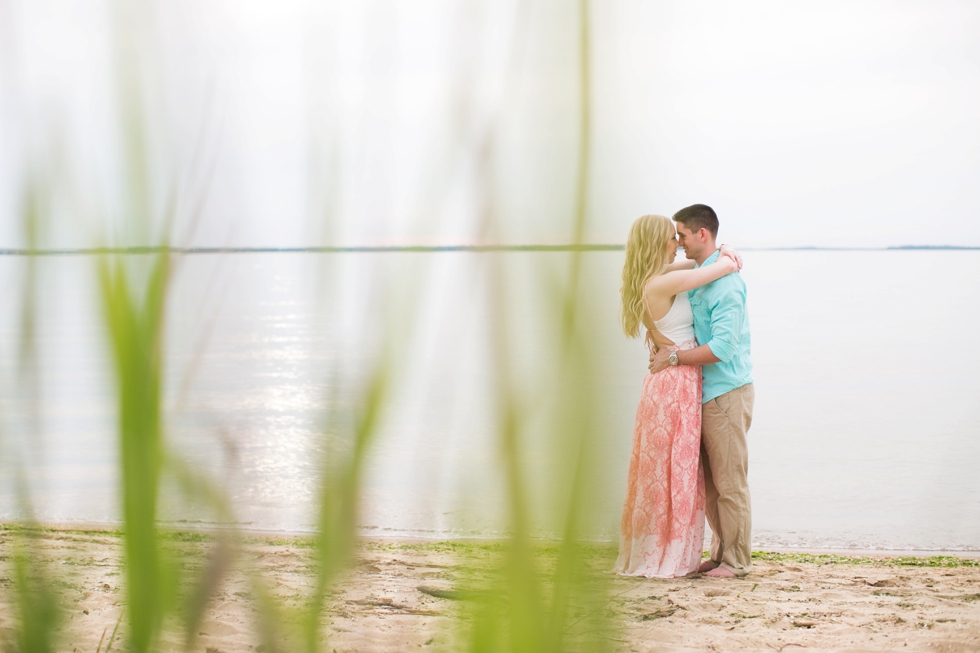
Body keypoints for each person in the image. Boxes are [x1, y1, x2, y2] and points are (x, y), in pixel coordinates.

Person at [614, 214, 741, 578]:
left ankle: (668, 549)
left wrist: (723, 250)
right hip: (675, 384)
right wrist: (728, 257)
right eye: (672, 238)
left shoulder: (655, 278)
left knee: (668, 469)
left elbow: (702, 261)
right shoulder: (660, 284)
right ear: (658, 244)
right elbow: (713, 270)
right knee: (674, 470)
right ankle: (668, 554)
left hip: (671, 382)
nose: (678, 243)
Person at [648, 204, 755, 578]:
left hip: (727, 392)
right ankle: (721, 553)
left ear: (701, 234)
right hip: (704, 393)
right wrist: (725, 251)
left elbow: (723, 348)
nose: (678, 242)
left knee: (730, 483)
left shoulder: (726, 284)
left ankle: (737, 561)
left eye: (681, 235)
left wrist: (675, 358)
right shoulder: (701, 272)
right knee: (711, 486)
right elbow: (655, 275)